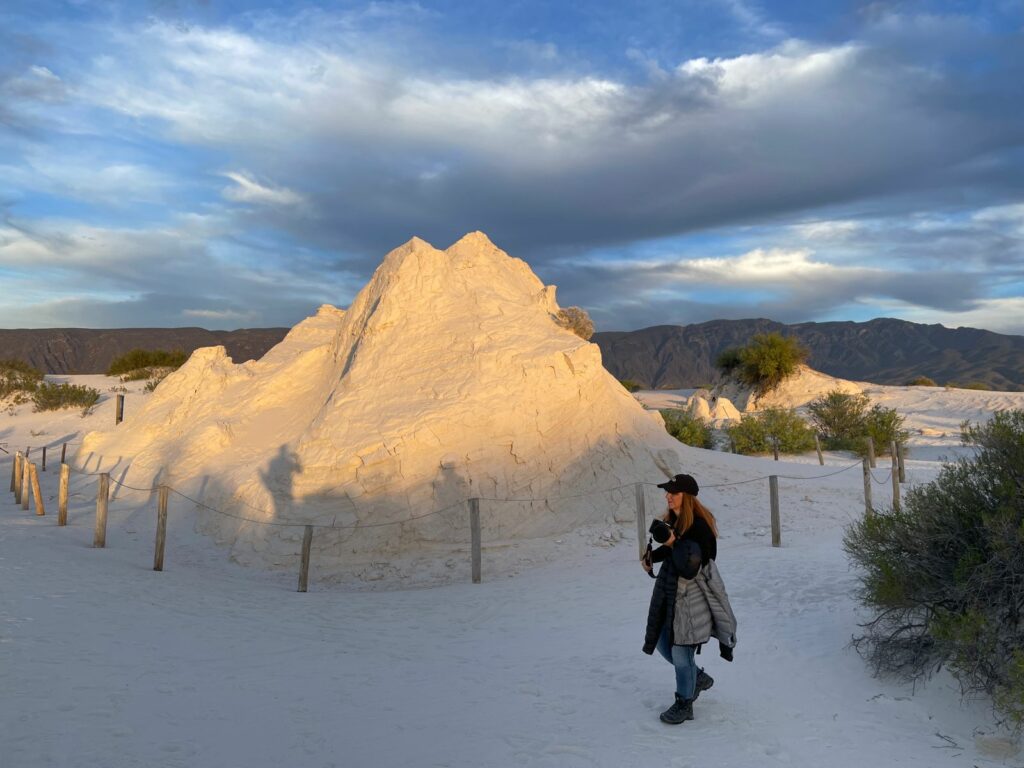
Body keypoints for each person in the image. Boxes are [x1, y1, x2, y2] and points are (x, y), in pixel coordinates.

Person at [641, 473, 737, 725]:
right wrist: (653, 557)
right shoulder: (674, 520)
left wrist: (674, 542)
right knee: (662, 643)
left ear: (687, 497)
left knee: (681, 654)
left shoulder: (701, 527)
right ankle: (698, 678)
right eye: (667, 492)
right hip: (670, 593)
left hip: (692, 597)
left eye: (673, 492)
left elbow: (691, 567)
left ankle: (685, 703)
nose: (668, 496)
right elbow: (671, 550)